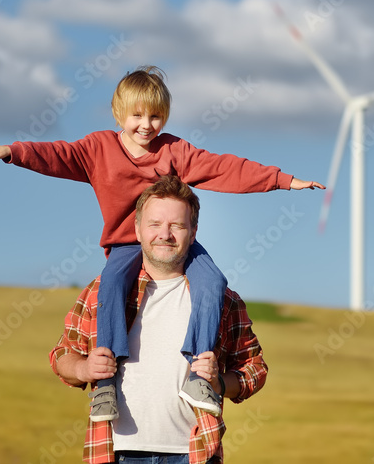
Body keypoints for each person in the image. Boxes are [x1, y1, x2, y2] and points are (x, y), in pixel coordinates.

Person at [0, 66, 319, 420]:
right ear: (118, 113)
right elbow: (58, 155)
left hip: (171, 242)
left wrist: (281, 180)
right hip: (125, 244)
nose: (147, 125)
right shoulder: (98, 148)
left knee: (213, 281)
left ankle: (198, 374)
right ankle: (106, 382)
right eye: (137, 115)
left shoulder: (173, 150)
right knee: (111, 284)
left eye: (155, 116)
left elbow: (221, 168)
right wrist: (11, 152)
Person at [51, 175, 268, 464]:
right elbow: (62, 355)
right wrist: (84, 368)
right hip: (116, 453)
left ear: (193, 233)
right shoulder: (102, 293)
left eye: (177, 225)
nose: (165, 234)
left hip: (194, 454)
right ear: (137, 229)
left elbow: (254, 369)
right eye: (154, 224)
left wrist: (218, 383)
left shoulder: (222, 300)